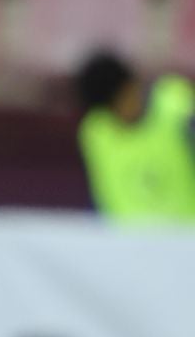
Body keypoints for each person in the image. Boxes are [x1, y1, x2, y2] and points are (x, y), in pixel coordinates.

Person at [74, 48, 195, 224]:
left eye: (125, 98)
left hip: (185, 238)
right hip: (128, 245)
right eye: (112, 109)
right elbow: (100, 194)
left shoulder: (175, 104)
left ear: (132, 84)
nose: (124, 112)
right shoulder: (95, 132)